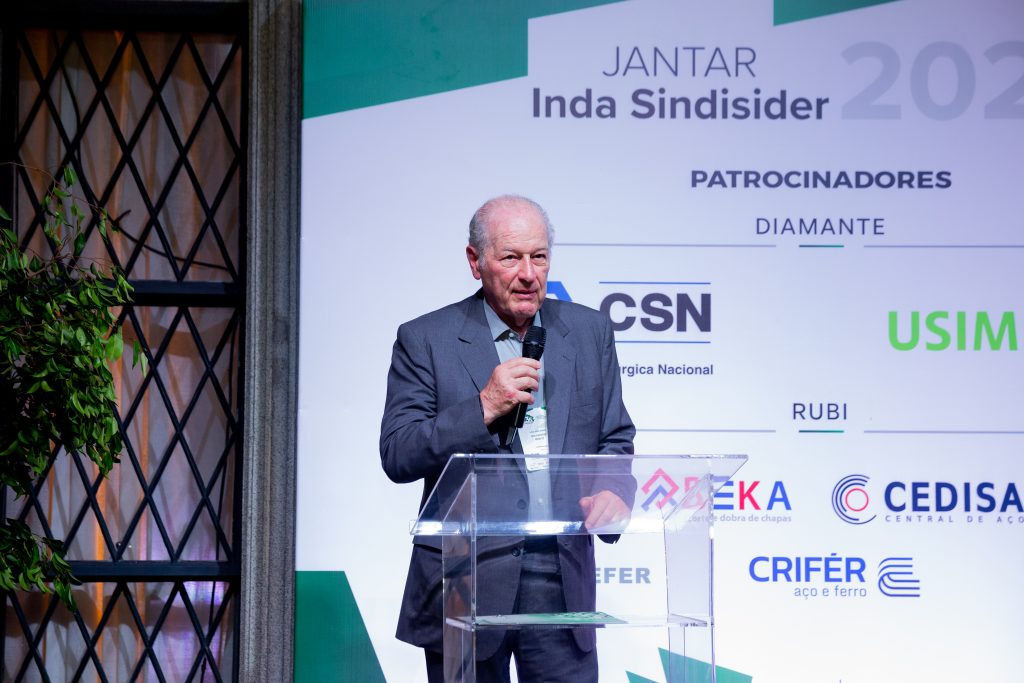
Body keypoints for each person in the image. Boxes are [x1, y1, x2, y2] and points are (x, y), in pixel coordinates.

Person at [380, 195, 635, 682]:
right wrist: (483, 407)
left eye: (539, 257)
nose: (528, 274)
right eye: (511, 258)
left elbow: (614, 436)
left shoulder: (589, 332)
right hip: (466, 577)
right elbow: (398, 452)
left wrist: (612, 489)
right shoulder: (426, 339)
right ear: (475, 262)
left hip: (560, 576)